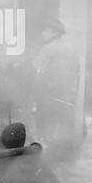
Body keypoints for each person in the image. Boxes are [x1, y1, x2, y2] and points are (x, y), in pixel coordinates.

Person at [34, 19, 80, 151]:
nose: (43, 33)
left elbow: (39, 74)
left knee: (45, 128)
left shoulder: (47, 49)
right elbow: (76, 73)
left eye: (45, 30)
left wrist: (35, 95)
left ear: (54, 32)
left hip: (48, 95)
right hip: (66, 96)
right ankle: (63, 153)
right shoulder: (71, 50)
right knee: (62, 127)